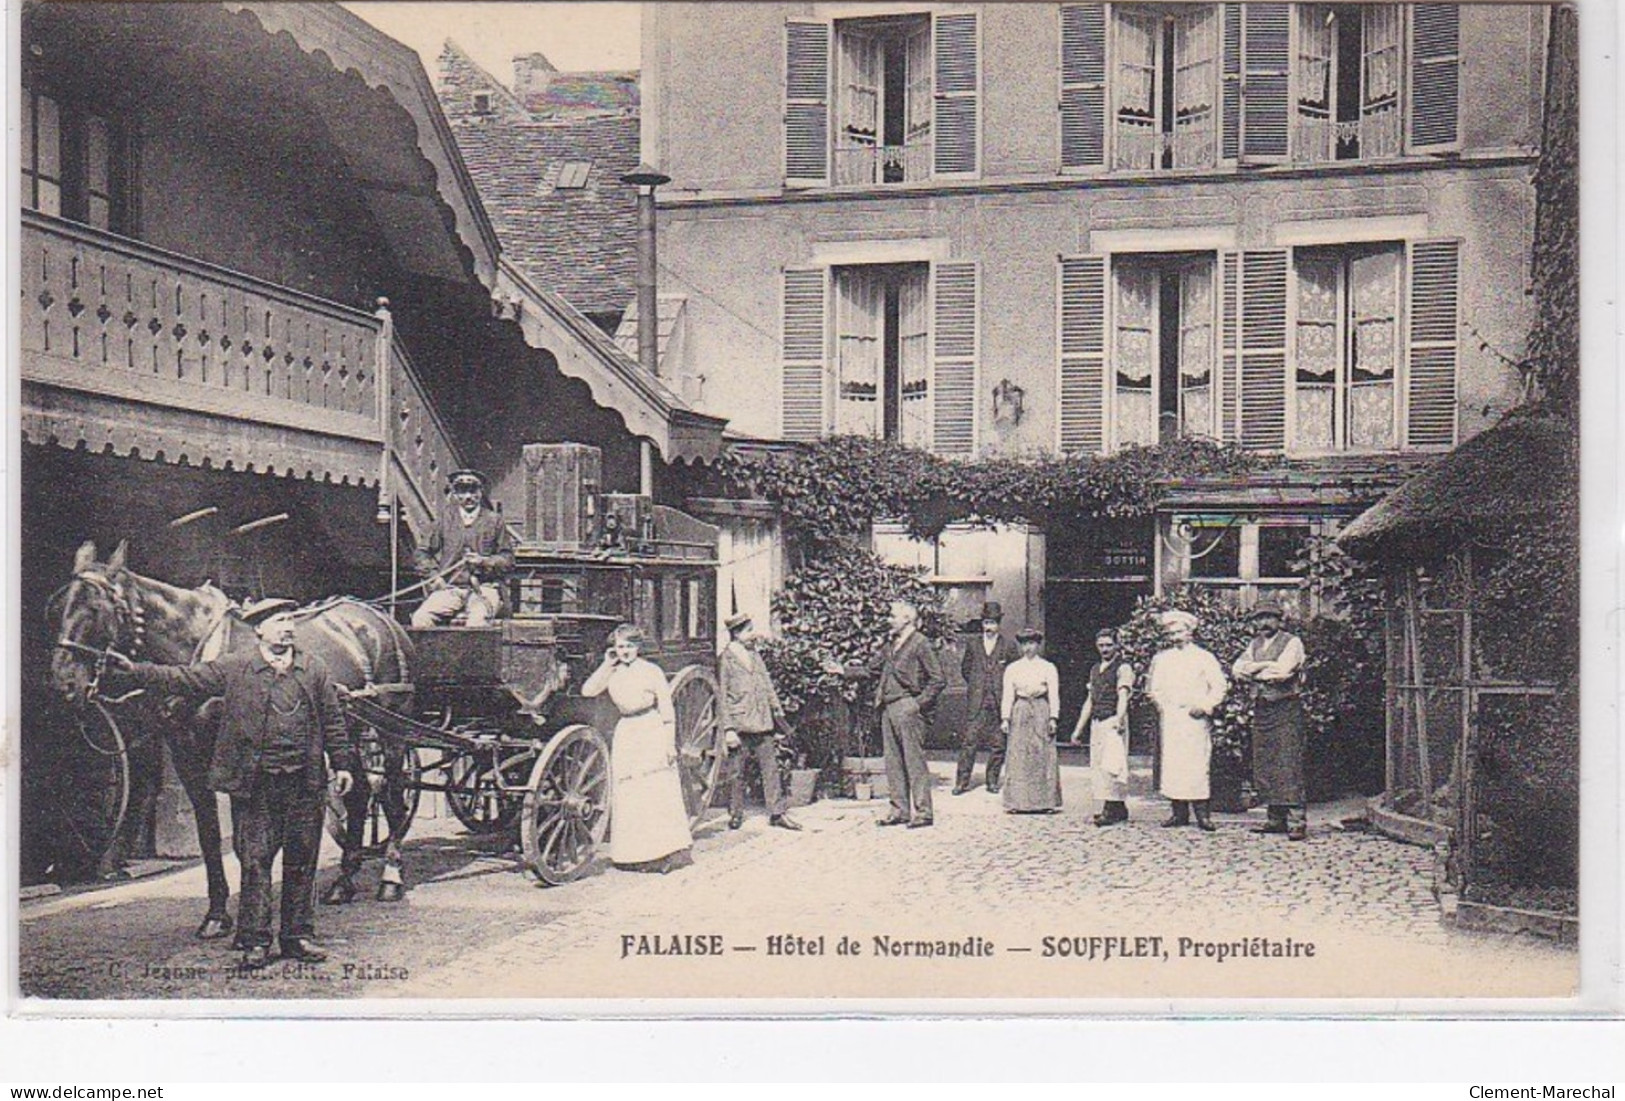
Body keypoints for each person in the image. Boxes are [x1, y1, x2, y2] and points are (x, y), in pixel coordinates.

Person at [109, 614, 356, 969]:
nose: (287, 627)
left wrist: (344, 763)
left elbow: (333, 720)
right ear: (260, 631)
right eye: (278, 621)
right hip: (255, 784)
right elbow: (183, 678)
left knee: (302, 860)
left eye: (290, 620)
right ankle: (255, 941)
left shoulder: (313, 668)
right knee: (255, 862)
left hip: (305, 782)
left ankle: (297, 937)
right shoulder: (236, 666)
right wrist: (135, 669)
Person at [581, 624, 693, 872]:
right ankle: (634, 855)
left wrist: (668, 744)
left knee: (655, 790)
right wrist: (606, 663)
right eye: (620, 646)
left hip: (650, 727)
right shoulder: (613, 672)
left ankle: (666, 853)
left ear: (638, 647)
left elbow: (666, 710)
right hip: (627, 732)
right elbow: (587, 690)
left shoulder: (651, 671)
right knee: (630, 792)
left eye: (630, 646)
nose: (625, 651)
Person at [827, 600, 945, 829]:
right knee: (893, 762)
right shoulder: (892, 644)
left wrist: (917, 704)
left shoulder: (921, 643)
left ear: (906, 619)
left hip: (907, 708)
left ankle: (923, 812)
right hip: (888, 708)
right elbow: (871, 669)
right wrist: (842, 670)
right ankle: (899, 810)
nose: (889, 620)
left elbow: (938, 679)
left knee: (914, 761)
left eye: (893, 616)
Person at [1232, 599, 1310, 840]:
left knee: (1288, 761)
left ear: (1279, 619)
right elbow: (1237, 669)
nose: (1263, 623)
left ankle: (1296, 821)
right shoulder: (1254, 644)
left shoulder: (1292, 642)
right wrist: (1265, 665)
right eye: (1259, 618)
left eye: (1269, 617)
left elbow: (1282, 672)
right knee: (1265, 762)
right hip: (1262, 708)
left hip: (1285, 708)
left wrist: (1257, 670)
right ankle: (1275, 818)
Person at [1146, 609, 1227, 833]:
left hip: (1196, 718)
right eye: (1171, 633)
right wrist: (1165, 707)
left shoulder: (1204, 657)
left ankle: (1203, 814)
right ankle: (1178, 812)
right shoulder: (1161, 659)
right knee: (1173, 764)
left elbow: (1219, 686)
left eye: (1179, 632)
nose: (1175, 637)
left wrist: (1205, 707)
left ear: (1190, 632)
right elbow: (1155, 689)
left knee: (1197, 764)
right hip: (1172, 719)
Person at [719, 611, 801, 832]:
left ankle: (777, 813)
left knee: (771, 769)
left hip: (763, 720)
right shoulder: (726, 660)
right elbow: (722, 697)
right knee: (736, 772)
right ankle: (735, 813)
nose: (752, 634)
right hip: (740, 724)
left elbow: (767, 685)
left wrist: (778, 713)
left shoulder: (755, 655)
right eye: (748, 631)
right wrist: (728, 729)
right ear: (736, 634)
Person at [411, 469, 514, 628]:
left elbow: (508, 559)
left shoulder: (494, 521)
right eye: (462, 491)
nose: (468, 497)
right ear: (454, 493)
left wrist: (484, 561)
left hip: (484, 589)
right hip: (450, 589)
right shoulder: (444, 520)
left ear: (481, 492)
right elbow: (422, 553)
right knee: (420, 619)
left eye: (473, 491)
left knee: (477, 623)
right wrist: (433, 576)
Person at [1070, 628, 1135, 827]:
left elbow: (1123, 695)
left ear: (1116, 645)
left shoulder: (1123, 668)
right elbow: (1089, 701)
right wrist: (1078, 729)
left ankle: (1111, 808)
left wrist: (1119, 718)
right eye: (1101, 645)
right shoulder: (1095, 669)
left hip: (1112, 721)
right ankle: (1118, 808)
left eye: (1109, 645)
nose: (1105, 649)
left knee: (1113, 765)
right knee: (1099, 765)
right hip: (1097, 723)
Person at [954, 601, 1019, 795]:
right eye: (986, 623)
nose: (989, 627)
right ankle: (962, 782)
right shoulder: (973, 644)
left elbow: (1013, 672)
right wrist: (977, 686)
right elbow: (966, 669)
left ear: (999, 624)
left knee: (998, 744)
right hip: (977, 702)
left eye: (993, 623)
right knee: (969, 742)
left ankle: (992, 781)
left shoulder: (1008, 645)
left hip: (999, 702)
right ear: (982, 624)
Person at [999, 627, 1062, 813]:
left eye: (1032, 643)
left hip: (1041, 709)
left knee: (1042, 753)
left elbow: (1054, 695)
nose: (1028, 648)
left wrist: (1053, 718)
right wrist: (1005, 718)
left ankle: (1045, 802)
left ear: (1038, 645)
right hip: (1020, 710)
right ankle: (1017, 802)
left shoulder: (1048, 667)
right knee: (1019, 754)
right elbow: (1008, 695)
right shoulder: (1013, 668)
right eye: (1025, 644)